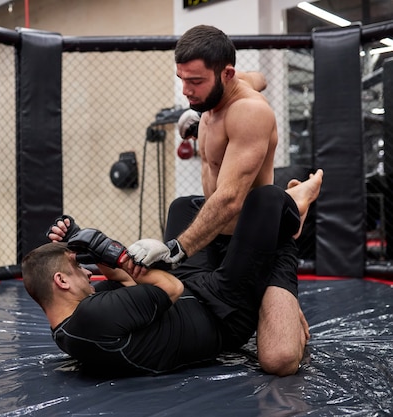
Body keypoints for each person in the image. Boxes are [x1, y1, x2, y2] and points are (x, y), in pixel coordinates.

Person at [125, 25, 309, 376]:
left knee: (279, 360)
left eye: (195, 81)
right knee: (182, 207)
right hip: (217, 238)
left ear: (224, 74)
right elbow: (256, 78)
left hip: (258, 236)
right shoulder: (214, 97)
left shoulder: (249, 113)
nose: (185, 90)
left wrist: (177, 248)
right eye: (182, 79)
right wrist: (195, 118)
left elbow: (228, 199)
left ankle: (298, 198)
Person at [27, 170, 323, 376]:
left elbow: (124, 280)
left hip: (194, 290)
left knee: (183, 206)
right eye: (78, 268)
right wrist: (114, 251)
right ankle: (292, 214)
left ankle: (248, 235)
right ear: (61, 281)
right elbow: (170, 289)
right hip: (222, 311)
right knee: (266, 199)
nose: (89, 274)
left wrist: (86, 243)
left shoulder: (72, 325)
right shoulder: (91, 317)